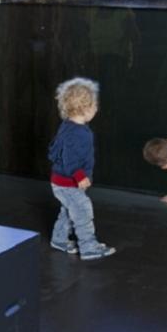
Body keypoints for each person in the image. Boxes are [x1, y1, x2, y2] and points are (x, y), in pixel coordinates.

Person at [48, 77, 115, 261]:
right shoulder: (78, 134)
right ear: (84, 108)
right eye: (94, 106)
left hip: (60, 182)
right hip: (68, 183)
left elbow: (56, 152)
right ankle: (88, 247)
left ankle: (59, 239)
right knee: (83, 211)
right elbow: (70, 160)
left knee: (69, 210)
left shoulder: (67, 126)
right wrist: (79, 177)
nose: (96, 109)